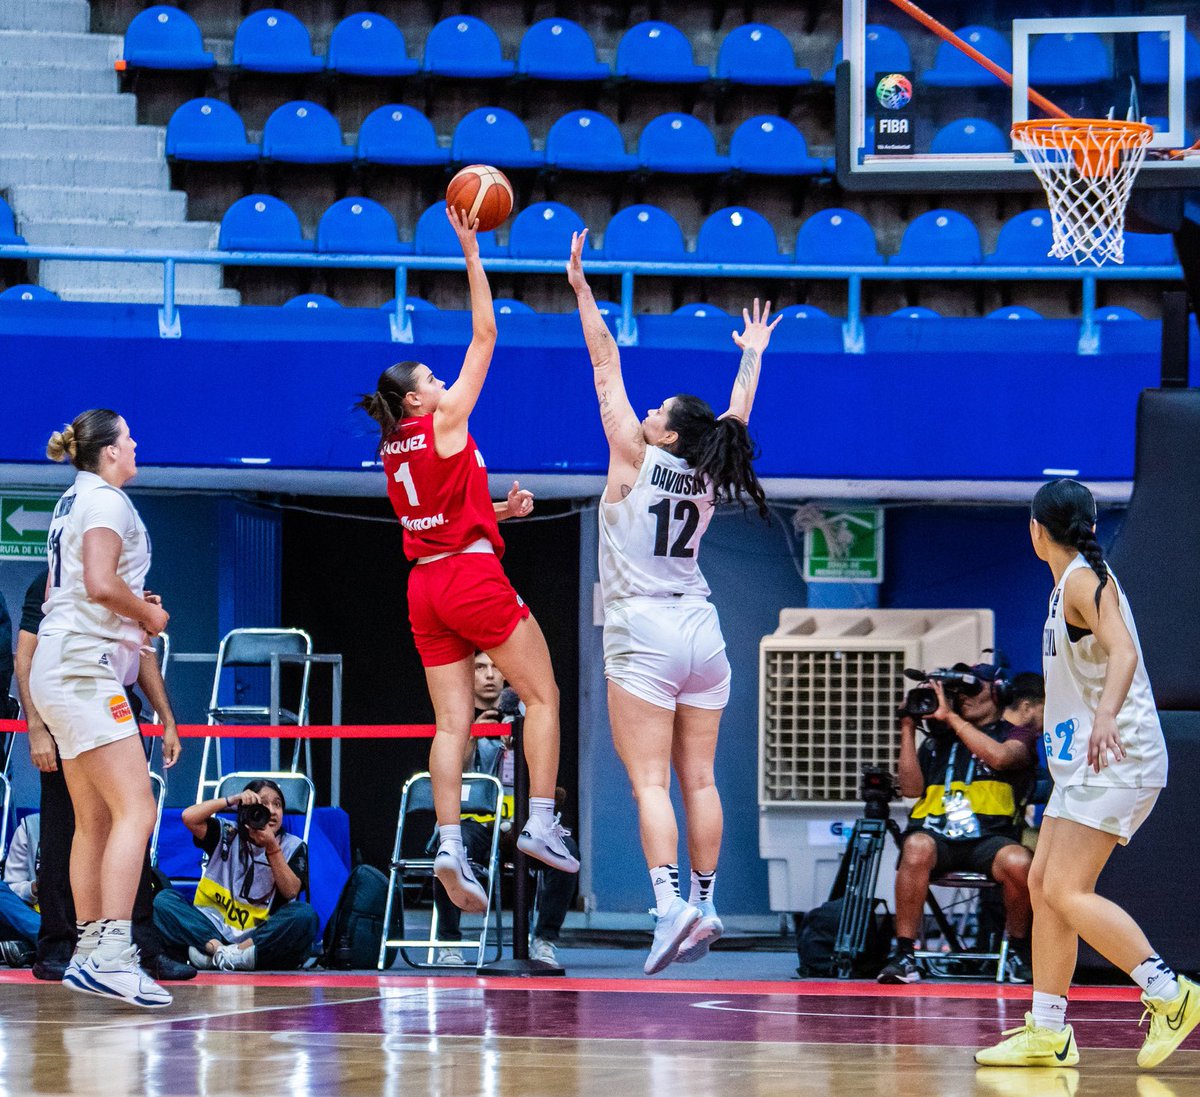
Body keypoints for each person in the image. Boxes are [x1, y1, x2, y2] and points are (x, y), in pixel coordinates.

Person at [357, 206, 578, 918]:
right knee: (542, 696)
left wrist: (500, 512)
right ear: (415, 399)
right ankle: (539, 821)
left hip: (425, 584)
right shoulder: (443, 422)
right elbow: (487, 333)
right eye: (432, 376)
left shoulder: (395, 446)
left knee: (451, 723)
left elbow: (439, 512)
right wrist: (471, 252)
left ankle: (449, 843)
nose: (443, 380)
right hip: (469, 576)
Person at [567, 229, 777, 975]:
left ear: (668, 432)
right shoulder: (710, 467)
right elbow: (737, 415)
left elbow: (604, 359)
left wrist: (582, 288)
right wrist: (751, 355)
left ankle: (667, 908)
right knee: (701, 779)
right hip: (700, 629)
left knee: (650, 781)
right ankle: (707, 901)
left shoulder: (632, 453)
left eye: (657, 409)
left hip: (643, 627)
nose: (647, 411)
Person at [977, 479, 1196, 1070]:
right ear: (1091, 527)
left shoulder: (1081, 580)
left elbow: (1123, 651)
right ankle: (1048, 1032)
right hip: (1085, 762)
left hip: (1118, 756)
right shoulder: (1069, 583)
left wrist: (1103, 718)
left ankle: (1171, 995)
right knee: (1043, 885)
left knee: (1067, 891)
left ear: (1036, 530)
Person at [28, 410, 174, 1007]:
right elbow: (97, 582)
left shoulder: (72, 499)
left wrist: (129, 605)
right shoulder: (107, 501)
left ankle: (90, 951)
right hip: (83, 668)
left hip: (61, 665)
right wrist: (148, 614)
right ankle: (114, 953)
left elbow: (75, 589)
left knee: (93, 820)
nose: (136, 444)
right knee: (136, 810)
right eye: (129, 437)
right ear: (110, 451)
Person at [14, 566, 191, 984]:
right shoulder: (57, 580)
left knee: (128, 826)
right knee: (68, 829)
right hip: (72, 702)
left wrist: (167, 718)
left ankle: (135, 945)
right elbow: (26, 656)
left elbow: (141, 652)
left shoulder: (122, 580)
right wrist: (36, 728)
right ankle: (61, 946)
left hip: (114, 705)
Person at [878, 663, 1037, 985]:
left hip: (990, 838)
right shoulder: (937, 740)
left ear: (998, 692)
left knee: (1019, 862)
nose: (964, 696)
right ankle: (905, 954)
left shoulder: (1015, 734)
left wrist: (951, 718)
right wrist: (907, 729)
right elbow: (911, 789)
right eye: (959, 691)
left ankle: (1017, 951)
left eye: (973, 688)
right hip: (937, 836)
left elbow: (1003, 758)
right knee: (915, 846)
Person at [435, 653, 578, 966]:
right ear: (467, 674)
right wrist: (474, 737)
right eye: (480, 668)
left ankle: (544, 940)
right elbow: (448, 775)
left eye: (496, 667)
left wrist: (519, 739)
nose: (489, 675)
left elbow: (545, 775)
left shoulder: (529, 716)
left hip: (518, 824)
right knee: (450, 850)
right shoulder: (454, 717)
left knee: (567, 852)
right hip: (474, 824)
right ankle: (448, 943)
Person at [152, 778, 318, 971]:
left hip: (257, 936)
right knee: (163, 901)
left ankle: (226, 955)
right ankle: (221, 951)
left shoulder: (293, 845)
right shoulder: (226, 833)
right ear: (246, 810)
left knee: (304, 915)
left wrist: (272, 846)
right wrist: (231, 800)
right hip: (212, 928)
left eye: (278, 805)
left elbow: (290, 891)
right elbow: (189, 817)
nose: (272, 811)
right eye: (263, 804)